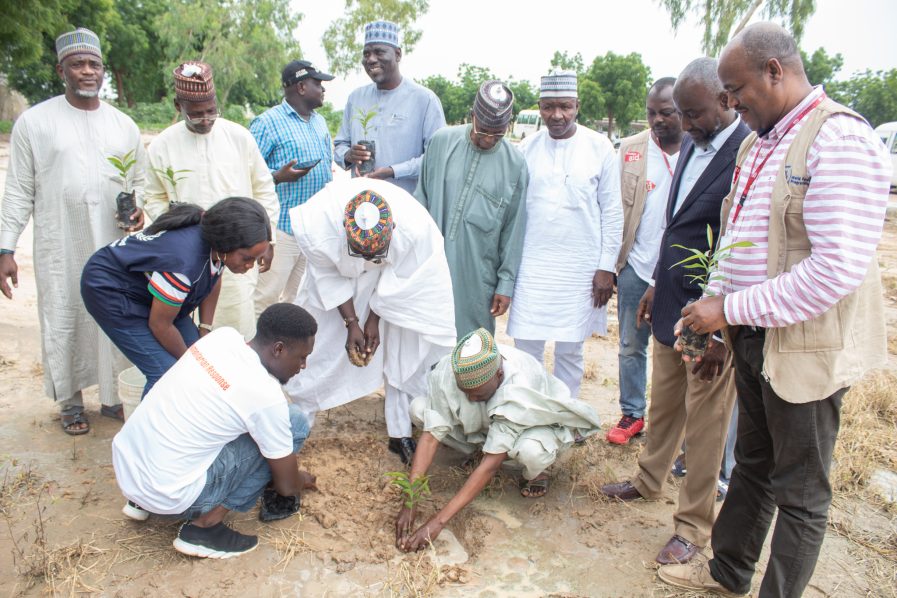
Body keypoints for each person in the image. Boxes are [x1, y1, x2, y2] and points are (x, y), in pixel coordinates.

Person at [658, 23, 892, 598]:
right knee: (753, 461)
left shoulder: (840, 140)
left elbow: (833, 271)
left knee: (801, 491)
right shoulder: (758, 143)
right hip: (754, 336)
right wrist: (719, 321)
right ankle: (728, 574)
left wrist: (729, 307)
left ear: (774, 71)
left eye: (736, 91)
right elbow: (734, 240)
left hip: (805, 349)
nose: (732, 104)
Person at [601, 57, 750, 566]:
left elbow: (741, 244)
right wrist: (652, 287)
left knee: (706, 425)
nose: (683, 124)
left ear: (726, 101)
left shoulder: (747, 151)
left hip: (711, 316)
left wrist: (721, 329)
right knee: (664, 403)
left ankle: (691, 526)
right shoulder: (690, 144)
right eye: (679, 114)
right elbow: (675, 226)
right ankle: (648, 480)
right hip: (670, 301)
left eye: (693, 114)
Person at [0, 28, 146, 435]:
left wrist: (141, 212)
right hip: (60, 244)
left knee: (115, 314)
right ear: (60, 70)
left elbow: (141, 183)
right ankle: (70, 401)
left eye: (93, 64)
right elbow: (18, 190)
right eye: (77, 64)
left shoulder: (123, 125)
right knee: (64, 313)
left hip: (113, 243)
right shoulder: (35, 122)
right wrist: (5, 248)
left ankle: (114, 397)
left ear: (103, 71)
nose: (87, 71)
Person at [112, 303, 318, 559]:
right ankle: (205, 527)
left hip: (128, 470)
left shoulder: (222, 338)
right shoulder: (266, 396)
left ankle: (140, 502)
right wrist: (299, 479)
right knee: (294, 422)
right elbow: (286, 486)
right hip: (170, 496)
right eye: (302, 357)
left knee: (214, 419)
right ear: (278, 349)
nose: (303, 365)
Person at [285, 178, 456, 465]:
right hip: (336, 279)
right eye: (360, 252)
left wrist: (374, 319)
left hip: (392, 281)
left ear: (393, 229)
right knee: (317, 346)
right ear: (344, 228)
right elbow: (326, 276)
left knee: (401, 347)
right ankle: (299, 425)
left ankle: (400, 430)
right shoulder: (318, 223)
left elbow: (402, 283)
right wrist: (352, 323)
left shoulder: (415, 230)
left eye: (372, 253)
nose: (366, 258)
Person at [395, 328, 601, 551]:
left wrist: (437, 522)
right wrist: (410, 500)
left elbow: (490, 466)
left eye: (478, 394)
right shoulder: (449, 370)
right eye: (465, 391)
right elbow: (429, 438)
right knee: (419, 409)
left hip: (532, 423)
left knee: (531, 452)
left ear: (499, 375)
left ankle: (537, 472)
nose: (471, 398)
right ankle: (478, 448)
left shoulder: (518, 386)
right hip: (489, 423)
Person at [507, 70, 623, 400]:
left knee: (570, 351)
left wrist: (606, 267)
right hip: (532, 266)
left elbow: (613, 212)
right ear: (539, 107)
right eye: (548, 107)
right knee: (525, 350)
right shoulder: (525, 148)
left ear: (577, 106)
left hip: (580, 269)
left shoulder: (600, 147)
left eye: (565, 106)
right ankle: (527, 413)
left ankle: (565, 413)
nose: (557, 115)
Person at [81, 198, 272, 397]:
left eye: (255, 259)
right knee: (167, 374)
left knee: (201, 356)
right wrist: (188, 365)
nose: (250, 265)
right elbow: (160, 325)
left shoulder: (218, 243)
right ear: (226, 245)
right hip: (110, 290)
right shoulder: (183, 263)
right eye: (247, 258)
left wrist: (204, 328)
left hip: (151, 293)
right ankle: (150, 417)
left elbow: (214, 276)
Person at [143, 61, 279, 340]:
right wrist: (178, 225)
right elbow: (153, 196)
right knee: (187, 329)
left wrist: (268, 239)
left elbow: (264, 190)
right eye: (195, 114)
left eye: (211, 111)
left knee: (237, 327)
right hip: (187, 256)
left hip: (239, 253)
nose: (205, 119)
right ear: (178, 106)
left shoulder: (239, 137)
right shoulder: (162, 145)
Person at [415, 80, 528, 336]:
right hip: (428, 265)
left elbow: (514, 229)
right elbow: (420, 200)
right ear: (472, 115)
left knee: (471, 348)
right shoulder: (441, 142)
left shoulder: (515, 164)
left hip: (476, 278)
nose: (488, 139)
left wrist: (506, 283)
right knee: (423, 339)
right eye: (483, 130)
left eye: (497, 134)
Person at [607, 77, 682, 445]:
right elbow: (613, 207)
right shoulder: (631, 149)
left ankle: (675, 428)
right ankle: (632, 413)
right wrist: (613, 263)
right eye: (651, 113)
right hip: (636, 265)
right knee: (630, 345)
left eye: (666, 112)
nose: (657, 120)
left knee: (677, 352)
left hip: (677, 271)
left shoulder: (699, 149)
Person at [251, 60, 335, 314]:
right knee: (264, 298)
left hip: (312, 229)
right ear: (301, 87)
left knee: (298, 299)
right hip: (282, 229)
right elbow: (246, 174)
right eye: (318, 83)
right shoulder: (267, 123)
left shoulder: (319, 122)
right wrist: (277, 177)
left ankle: (282, 340)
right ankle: (252, 340)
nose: (323, 89)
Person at [334, 20, 446, 194]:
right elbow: (340, 145)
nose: (371, 59)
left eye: (379, 52)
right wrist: (348, 156)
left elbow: (437, 158)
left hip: (406, 203)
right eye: (366, 54)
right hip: (361, 202)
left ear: (398, 54)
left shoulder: (424, 99)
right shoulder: (355, 98)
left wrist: (393, 171)